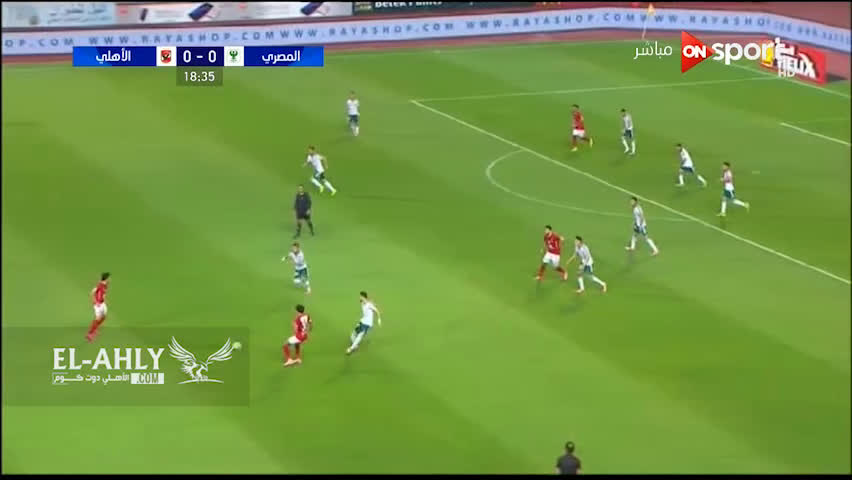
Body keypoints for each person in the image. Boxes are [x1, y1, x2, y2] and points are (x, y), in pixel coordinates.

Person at [86, 272, 110, 342]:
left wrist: (105, 300)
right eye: (109, 278)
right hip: (98, 304)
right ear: (106, 278)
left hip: (102, 303)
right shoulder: (99, 285)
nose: (110, 279)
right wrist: (95, 301)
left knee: (104, 316)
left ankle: (95, 328)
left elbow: (103, 294)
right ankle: (90, 334)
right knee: (98, 318)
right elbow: (92, 292)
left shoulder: (105, 285)